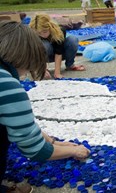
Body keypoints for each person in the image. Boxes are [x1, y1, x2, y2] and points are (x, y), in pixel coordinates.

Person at [0, 20, 91, 193]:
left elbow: (19, 122)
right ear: (26, 56)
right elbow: (35, 150)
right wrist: (73, 151)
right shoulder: (7, 85)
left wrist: (54, 141)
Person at [29, 14, 86, 79]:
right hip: (42, 57)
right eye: (39, 33)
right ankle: (43, 68)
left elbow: (58, 52)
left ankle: (70, 65)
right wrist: (42, 69)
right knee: (45, 45)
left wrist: (57, 73)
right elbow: (31, 54)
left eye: (45, 32)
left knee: (73, 40)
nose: (43, 35)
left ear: (50, 27)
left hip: (59, 54)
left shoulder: (59, 30)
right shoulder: (32, 33)